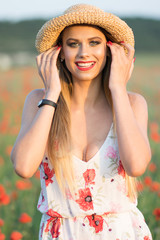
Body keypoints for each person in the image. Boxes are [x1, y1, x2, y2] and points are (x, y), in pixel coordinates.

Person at [11, 3, 152, 240]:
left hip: (121, 233)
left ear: (109, 50)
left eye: (94, 43)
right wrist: (52, 93)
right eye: (73, 44)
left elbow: (136, 166)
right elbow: (23, 167)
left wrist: (117, 88)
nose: (83, 53)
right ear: (59, 52)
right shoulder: (39, 100)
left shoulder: (132, 103)